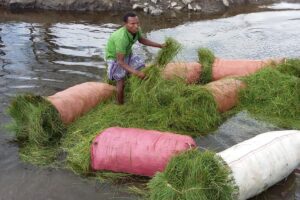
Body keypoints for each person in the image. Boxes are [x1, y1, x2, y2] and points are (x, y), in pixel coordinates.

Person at [105, 12, 164, 104]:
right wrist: (136, 73)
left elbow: (142, 40)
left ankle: (139, 89)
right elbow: (120, 62)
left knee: (141, 67)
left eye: (137, 23)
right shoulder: (121, 38)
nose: (136, 26)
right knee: (121, 82)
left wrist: (160, 45)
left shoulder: (136, 30)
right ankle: (120, 104)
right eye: (132, 24)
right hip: (115, 59)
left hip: (128, 54)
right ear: (125, 24)